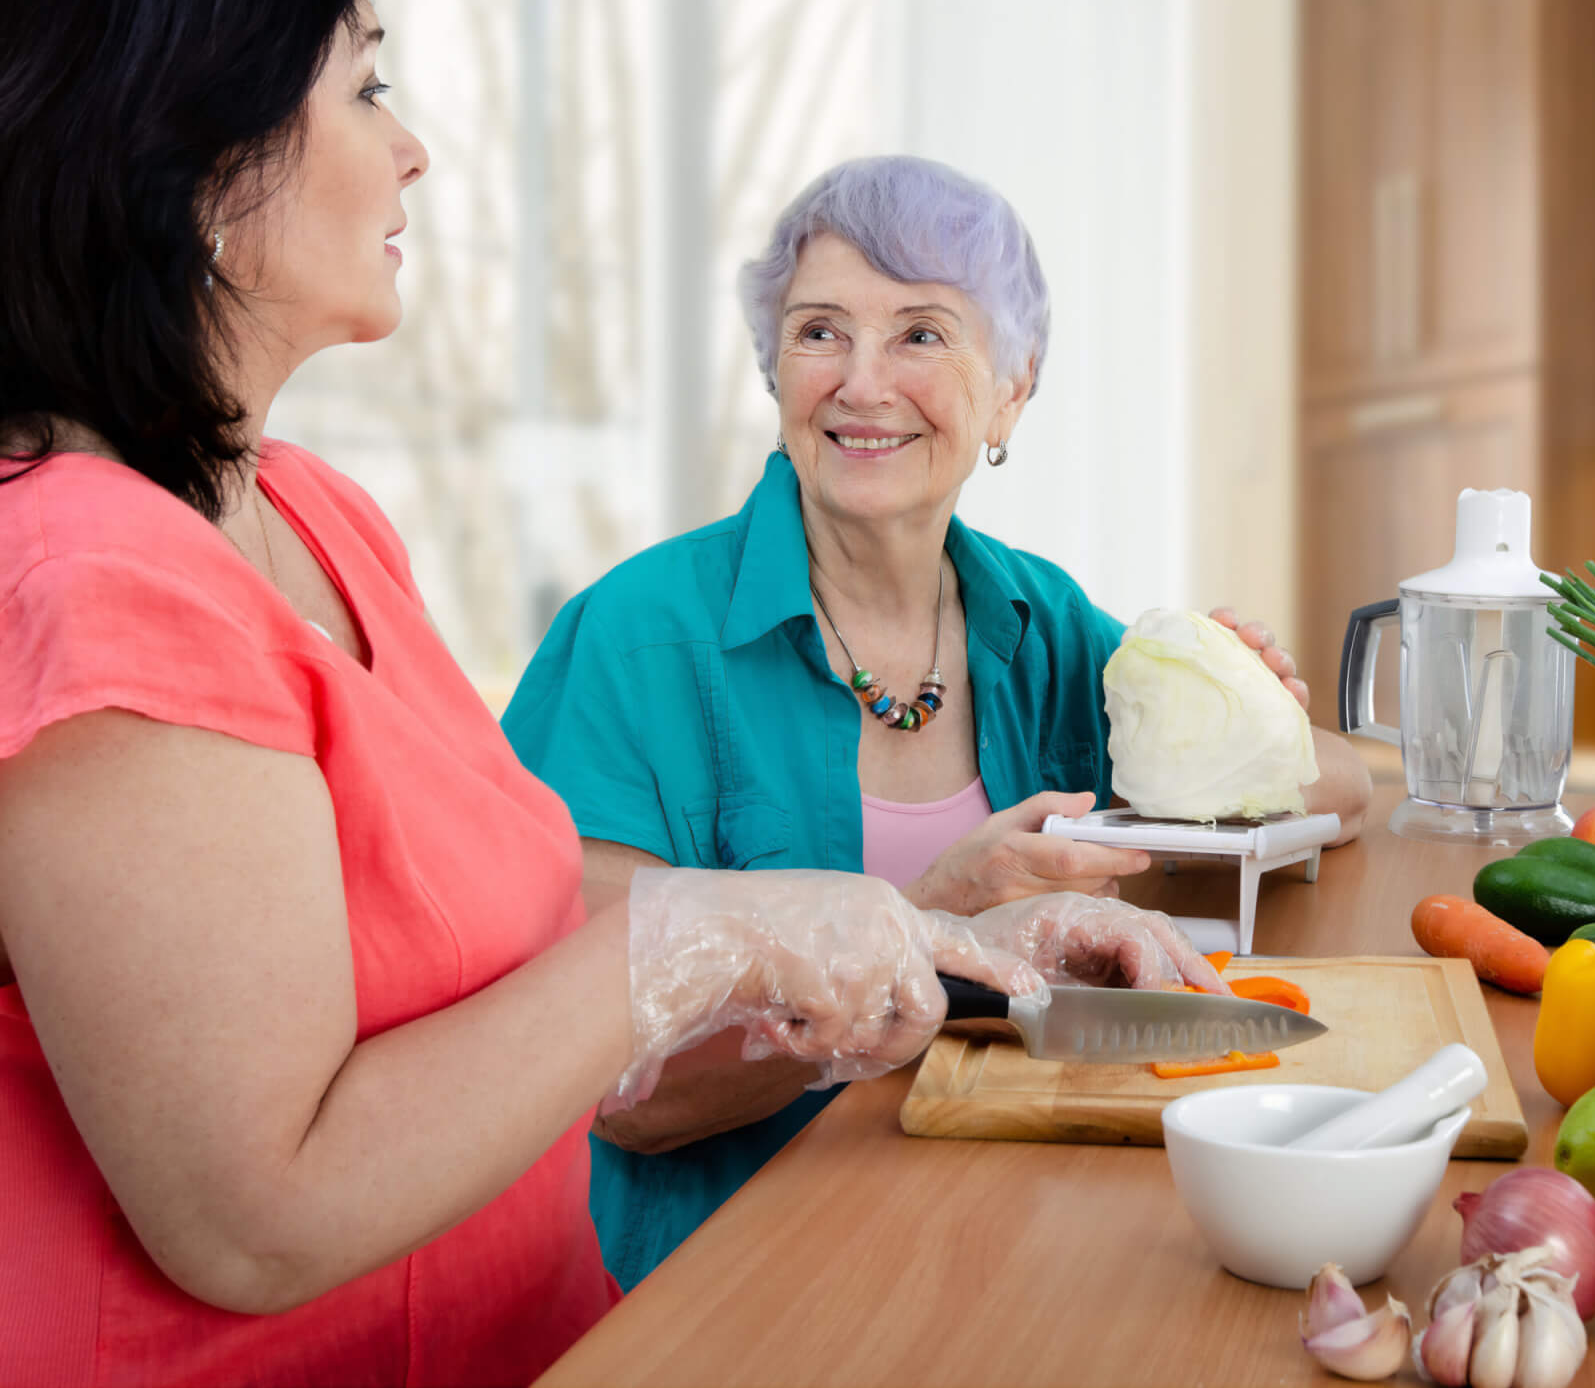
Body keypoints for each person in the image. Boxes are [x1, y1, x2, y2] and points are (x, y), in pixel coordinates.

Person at [0, 0, 1218, 1386]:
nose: (414, 148)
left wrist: (937, 928)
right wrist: (698, 925)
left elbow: (519, 943)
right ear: (186, 161)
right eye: (366, 88)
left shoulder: (305, 507)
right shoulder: (95, 582)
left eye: (924, 335)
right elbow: (259, 1214)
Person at [503, 155, 1375, 1287]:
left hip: (1002, 1228)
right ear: (774, 368)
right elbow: (621, 1097)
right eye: (820, 332)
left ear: (1011, 389)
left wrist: (1241, 728)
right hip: (722, 1283)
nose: (862, 384)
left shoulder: (1038, 618)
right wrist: (926, 918)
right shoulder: (635, 643)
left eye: (920, 335)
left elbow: (1342, 785)